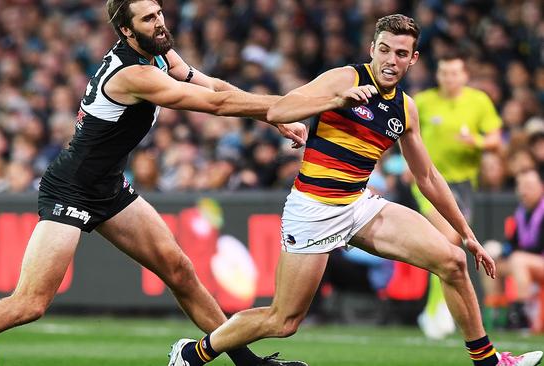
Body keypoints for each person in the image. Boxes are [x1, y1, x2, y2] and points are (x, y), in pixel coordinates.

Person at [0, 1, 309, 366]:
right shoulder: (132, 74)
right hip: (70, 189)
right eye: (149, 18)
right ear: (127, 31)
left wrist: (273, 116)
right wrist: (288, 108)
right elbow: (214, 105)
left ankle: (244, 363)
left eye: (160, 12)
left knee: (180, 270)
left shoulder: (159, 54)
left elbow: (214, 86)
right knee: (29, 304)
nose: (160, 22)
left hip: (109, 188)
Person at [170, 14, 543, 366]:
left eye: (400, 53)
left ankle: (490, 361)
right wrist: (334, 101)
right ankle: (192, 355)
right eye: (384, 49)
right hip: (313, 208)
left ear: (413, 60)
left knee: (454, 260)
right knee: (282, 321)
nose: (391, 60)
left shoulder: (406, 109)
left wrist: (467, 235)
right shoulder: (344, 79)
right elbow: (279, 111)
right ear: (372, 48)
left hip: (359, 205)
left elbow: (427, 175)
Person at [411, 52, 502, 339]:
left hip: (464, 185)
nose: (449, 78)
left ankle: (434, 309)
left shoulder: (479, 101)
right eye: (444, 73)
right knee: (449, 240)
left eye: (454, 73)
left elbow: (496, 140)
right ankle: (437, 313)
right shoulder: (423, 101)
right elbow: (403, 133)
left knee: (447, 246)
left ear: (464, 76)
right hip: (428, 181)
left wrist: (473, 141)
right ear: (437, 76)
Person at [482, 169, 544, 330]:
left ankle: (521, 315)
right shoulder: (522, 212)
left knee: (518, 259)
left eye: (529, 186)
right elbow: (512, 243)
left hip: (536, 262)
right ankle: (497, 312)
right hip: (528, 263)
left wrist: (515, 253)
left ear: (541, 187)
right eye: (521, 186)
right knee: (489, 257)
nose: (524, 191)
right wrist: (502, 251)